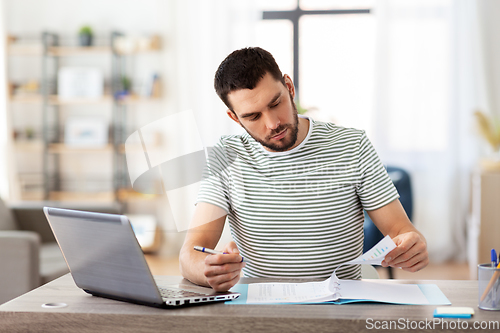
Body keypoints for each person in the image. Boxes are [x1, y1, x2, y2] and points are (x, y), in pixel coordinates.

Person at [179, 47, 428, 292]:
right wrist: (209, 270)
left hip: (341, 307)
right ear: (235, 118)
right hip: (260, 310)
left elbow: (401, 231)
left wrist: (411, 246)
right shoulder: (226, 155)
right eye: (253, 117)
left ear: (289, 86)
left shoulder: (353, 146)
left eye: (275, 103)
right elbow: (191, 252)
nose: (273, 123)